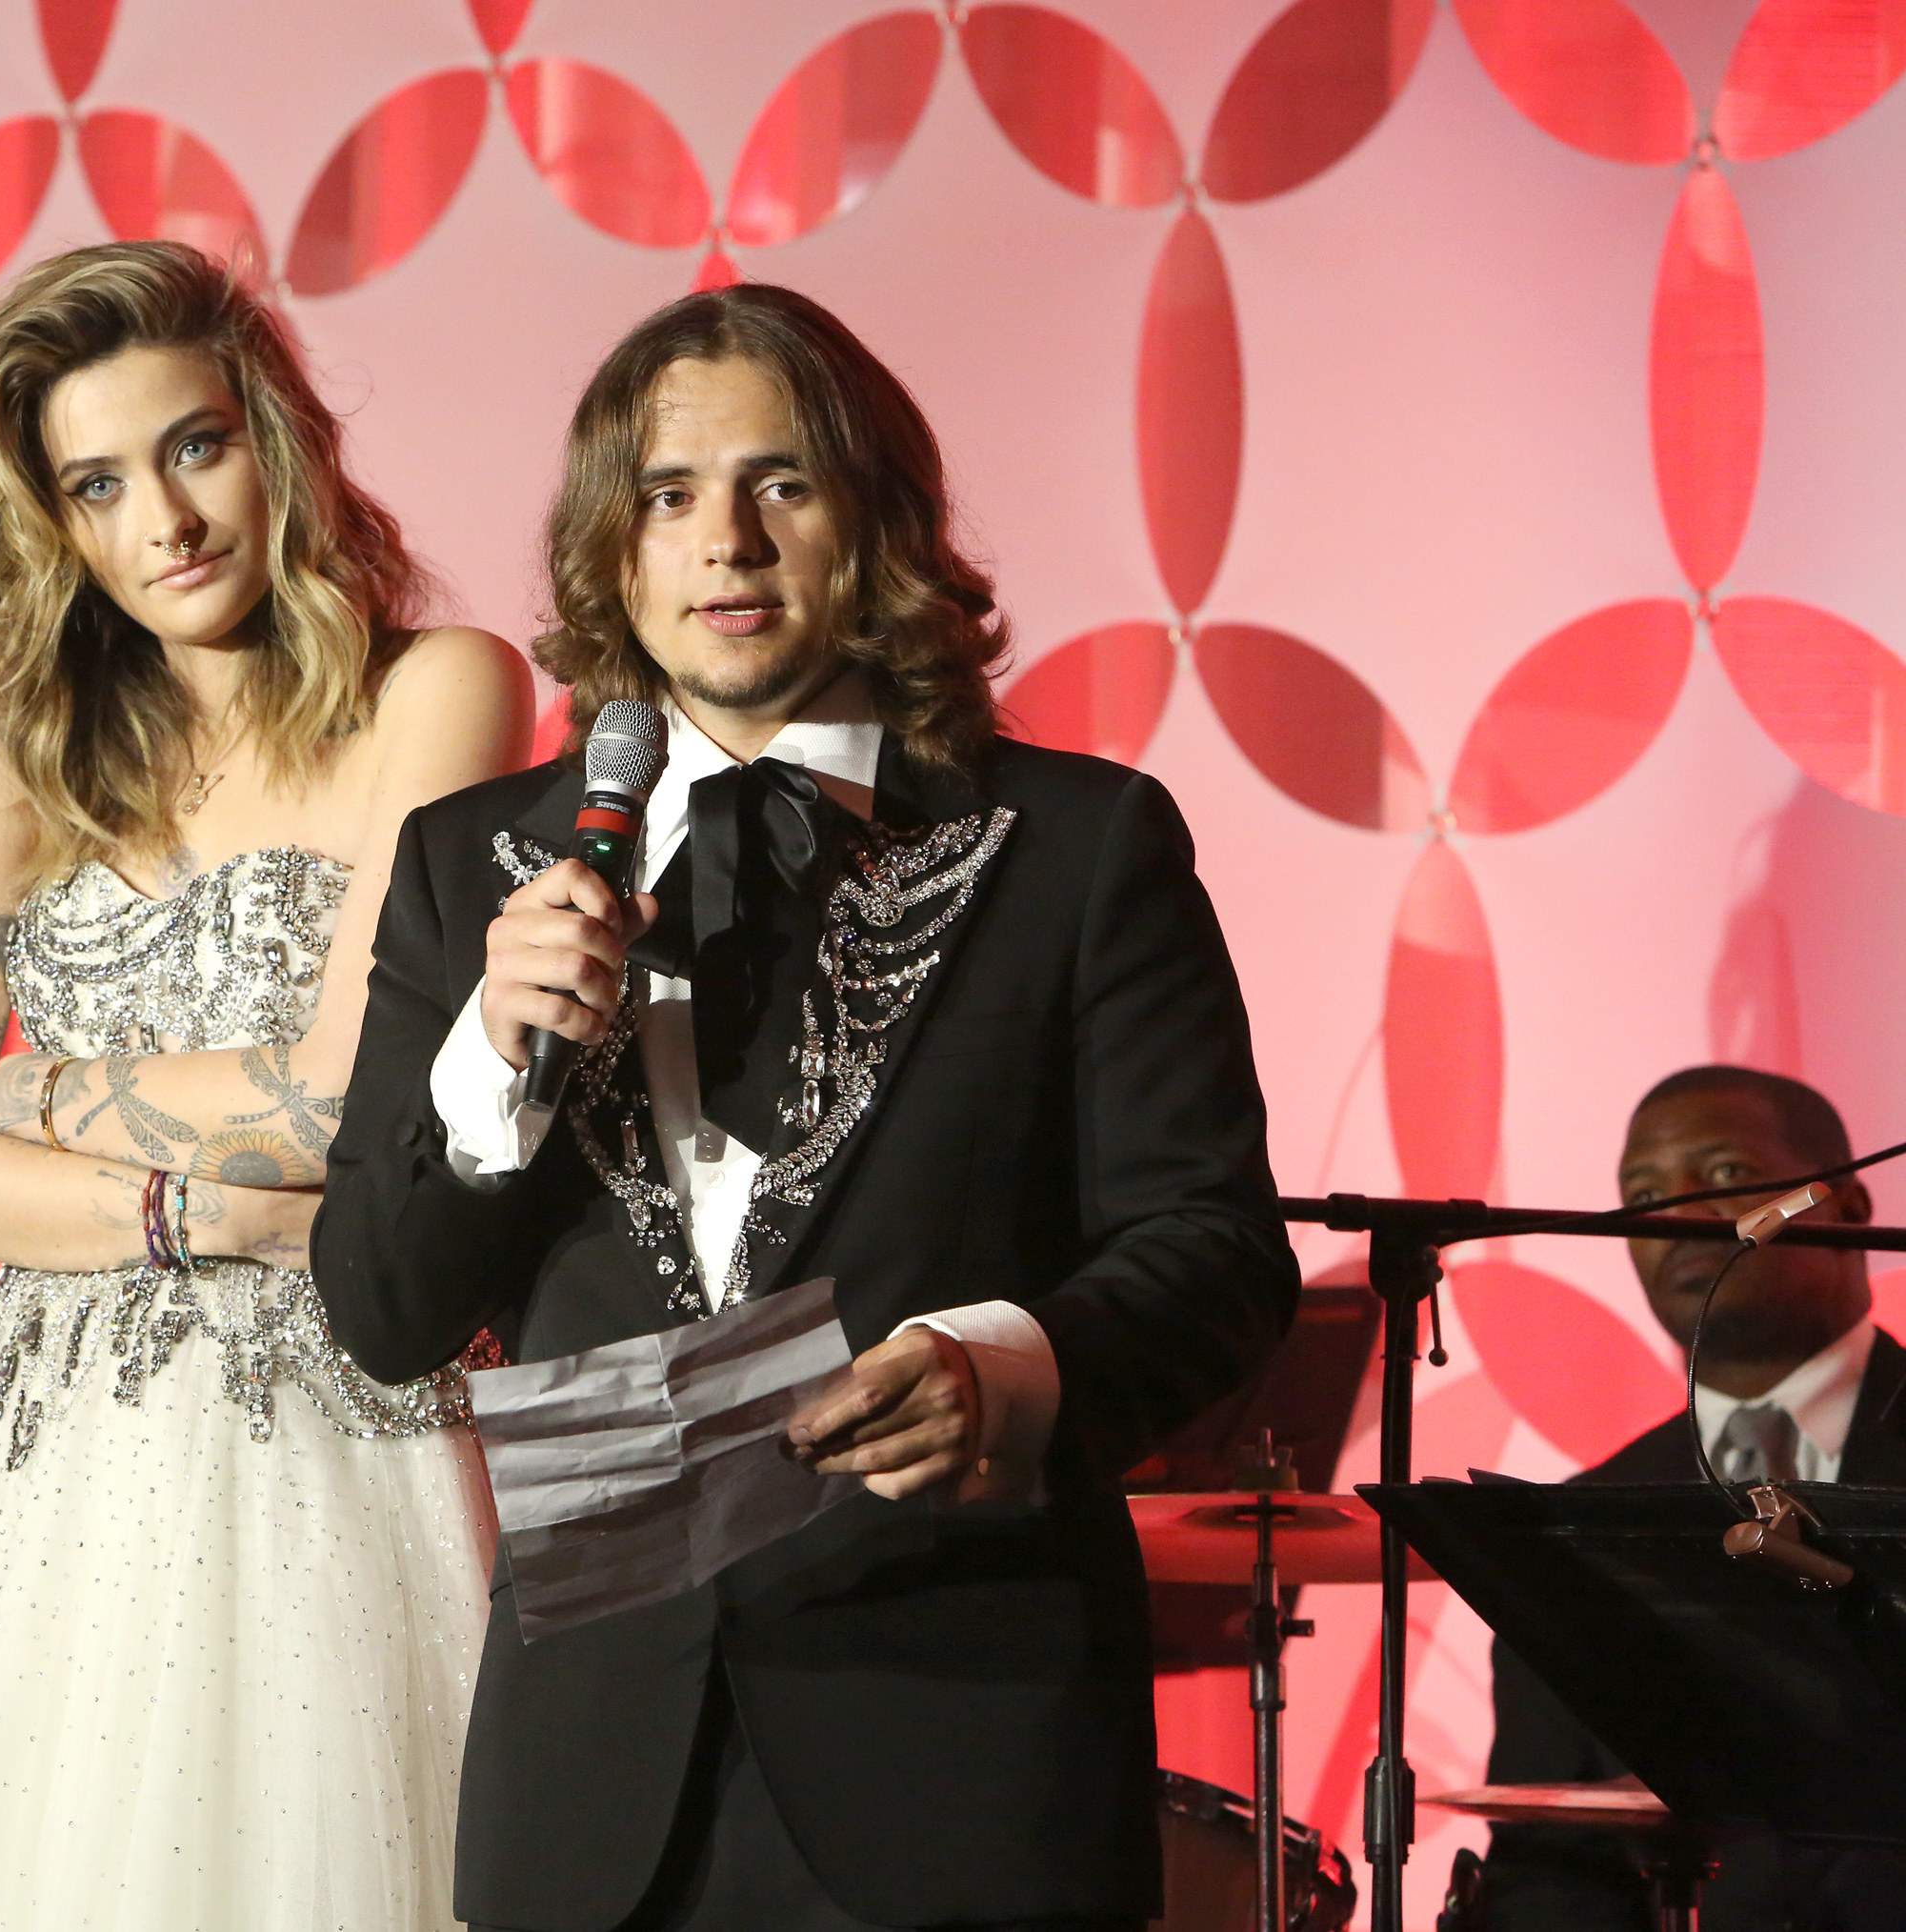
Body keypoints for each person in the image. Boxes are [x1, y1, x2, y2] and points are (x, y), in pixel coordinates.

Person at [314, 284, 1297, 1932]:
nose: (729, 544)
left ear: (879, 523)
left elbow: (1211, 1247)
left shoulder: (1077, 845)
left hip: (958, 1737)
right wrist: (493, 1052)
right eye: (671, 496)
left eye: (784, 485)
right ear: (611, 551)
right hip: (592, 1787)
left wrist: (1015, 1372)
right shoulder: (468, 861)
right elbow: (382, 1304)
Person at [0, 240, 531, 1930]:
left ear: (273, 437)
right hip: (62, 1481)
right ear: (51, 520)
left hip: (342, 1438)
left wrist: (40, 1092)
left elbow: (357, 1098)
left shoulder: (439, 689)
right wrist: (174, 1202)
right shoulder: (10, 755)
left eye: (196, 446)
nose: (169, 519)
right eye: (99, 482)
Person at [1480, 1066, 1906, 1931]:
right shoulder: (1574, 1523)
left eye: (1720, 1175)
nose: (1676, 1212)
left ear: (1851, 1206)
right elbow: (1547, 1864)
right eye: (1642, 1192)